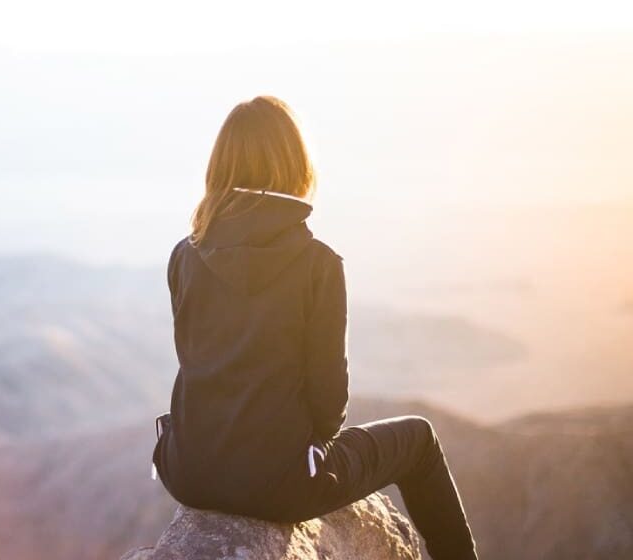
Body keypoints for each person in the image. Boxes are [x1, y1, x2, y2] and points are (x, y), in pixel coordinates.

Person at [152, 95, 479, 560]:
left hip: (187, 474)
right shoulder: (318, 265)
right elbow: (330, 408)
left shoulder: (184, 255)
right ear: (294, 164)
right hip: (281, 487)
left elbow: (200, 363)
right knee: (420, 439)